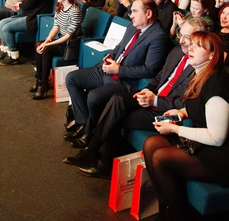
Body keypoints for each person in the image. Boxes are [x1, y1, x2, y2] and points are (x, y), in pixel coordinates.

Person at [62, 18, 210, 177]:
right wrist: (147, 91)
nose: (181, 40)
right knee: (116, 100)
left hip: (168, 114)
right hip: (152, 98)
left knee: (115, 115)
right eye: (181, 34)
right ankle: (91, 152)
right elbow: (160, 77)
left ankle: (101, 161)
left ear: (200, 38)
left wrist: (155, 100)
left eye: (187, 37)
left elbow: (187, 104)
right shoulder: (176, 52)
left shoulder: (202, 66)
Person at [142, 31, 229, 221]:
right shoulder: (201, 74)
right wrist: (182, 113)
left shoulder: (217, 84)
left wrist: (175, 128)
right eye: (191, 44)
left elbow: (217, 138)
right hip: (209, 145)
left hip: (228, 155)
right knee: (151, 144)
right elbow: (199, 105)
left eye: (199, 46)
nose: (190, 48)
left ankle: (178, 216)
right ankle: (166, 208)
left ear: (212, 54)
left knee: (161, 157)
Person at [64, 0, 171, 146]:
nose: (131, 15)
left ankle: (89, 133)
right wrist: (110, 57)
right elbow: (119, 48)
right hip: (109, 70)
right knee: (71, 78)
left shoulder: (158, 36)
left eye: (134, 11)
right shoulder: (133, 26)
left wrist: (119, 69)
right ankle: (84, 124)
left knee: (94, 97)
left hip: (125, 81)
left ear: (148, 14)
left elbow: (149, 69)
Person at [31, 0, 83, 99]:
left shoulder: (75, 11)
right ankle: (38, 79)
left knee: (46, 49)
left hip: (69, 46)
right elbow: (56, 27)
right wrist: (46, 41)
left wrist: (48, 45)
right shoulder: (59, 7)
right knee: (38, 44)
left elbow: (68, 36)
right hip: (61, 41)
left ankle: (43, 85)